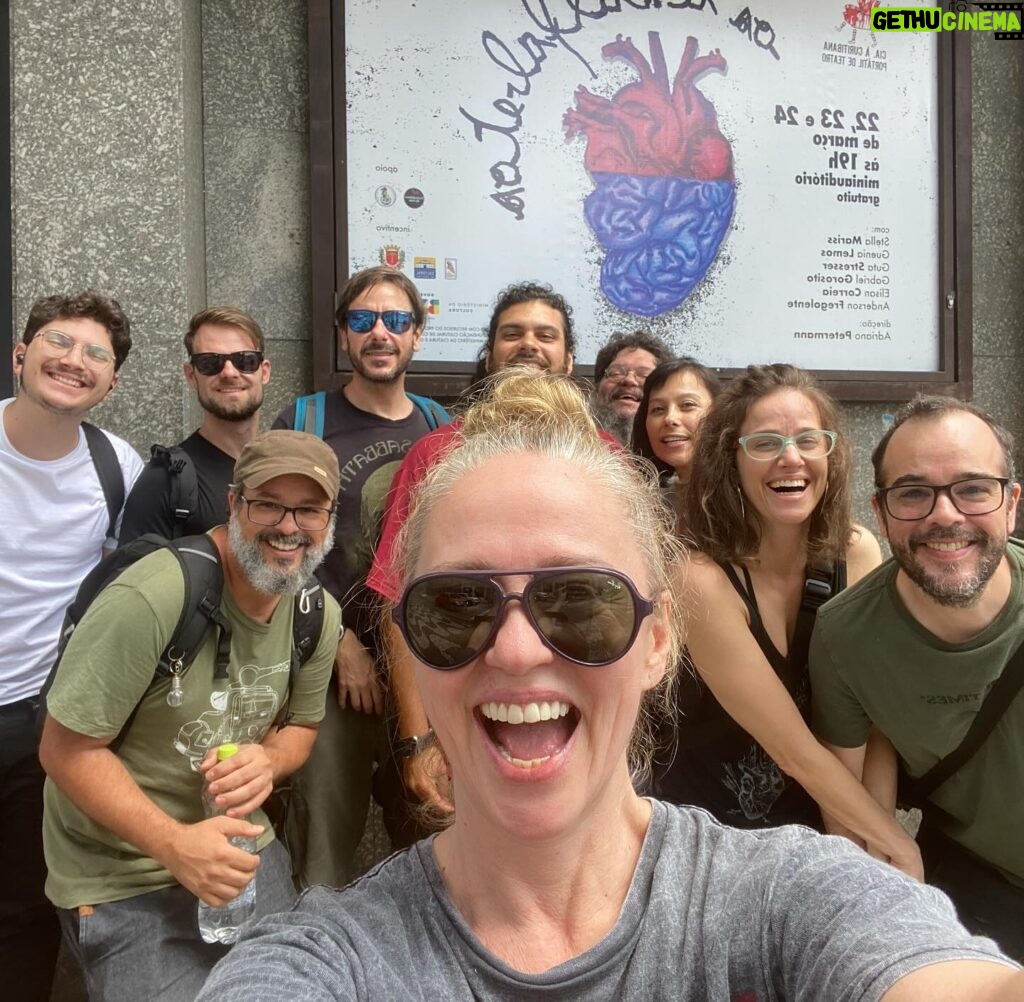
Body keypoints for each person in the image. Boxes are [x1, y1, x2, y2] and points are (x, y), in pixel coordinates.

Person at [198, 372, 1023, 1001]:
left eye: (580, 602)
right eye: (457, 605)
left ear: (658, 639)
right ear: (410, 638)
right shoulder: (322, 961)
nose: (517, 650)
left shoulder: (791, 900)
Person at [38, 430, 343, 1001]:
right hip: (124, 872)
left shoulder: (315, 613)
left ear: (329, 518)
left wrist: (268, 760)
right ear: (234, 504)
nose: (288, 526)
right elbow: (64, 750)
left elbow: (302, 727)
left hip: (240, 851)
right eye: (268, 503)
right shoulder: (156, 594)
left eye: (308, 509)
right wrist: (177, 846)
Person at [654, 364, 921, 877]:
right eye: (765, 443)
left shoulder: (857, 552)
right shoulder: (698, 579)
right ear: (730, 458)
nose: (790, 458)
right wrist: (896, 848)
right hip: (709, 847)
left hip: (815, 838)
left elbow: (872, 723)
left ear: (831, 453)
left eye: (808, 439)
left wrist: (873, 849)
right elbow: (793, 749)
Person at [811, 395, 1024, 960]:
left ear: (1011, 504)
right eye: (913, 493)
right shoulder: (844, 637)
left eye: (973, 488)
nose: (945, 515)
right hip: (982, 894)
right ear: (880, 514)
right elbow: (848, 810)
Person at [365, 281, 579, 818]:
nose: (528, 344)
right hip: (464, 715)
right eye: (512, 333)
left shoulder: (604, 457)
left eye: (545, 334)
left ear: (569, 360)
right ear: (488, 356)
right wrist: (419, 742)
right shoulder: (435, 455)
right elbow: (399, 602)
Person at [272, 265, 449, 887]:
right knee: (322, 850)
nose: (380, 333)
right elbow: (278, 543)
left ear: (417, 336)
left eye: (396, 321)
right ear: (342, 334)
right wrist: (341, 641)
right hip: (328, 669)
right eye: (363, 319)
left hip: (425, 669)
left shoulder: (438, 425)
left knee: (438, 832)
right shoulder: (306, 420)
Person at [0, 289, 142, 1002]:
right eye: (59, 341)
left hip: (35, 722)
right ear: (22, 353)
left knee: (25, 909)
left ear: (112, 383)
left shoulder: (118, 470)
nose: (74, 360)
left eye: (96, 354)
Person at [119, 306, 272, 543]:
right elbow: (134, 576)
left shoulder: (285, 467)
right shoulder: (165, 480)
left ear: (264, 372)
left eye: (245, 360)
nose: (229, 372)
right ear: (191, 375)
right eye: (211, 362)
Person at [631, 357, 721, 527]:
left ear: (719, 412)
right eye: (657, 409)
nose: (670, 418)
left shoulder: (746, 496)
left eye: (687, 405)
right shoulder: (647, 510)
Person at [591, 330, 672, 444]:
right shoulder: (569, 443)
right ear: (597, 388)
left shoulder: (675, 455)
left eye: (644, 375)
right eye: (616, 373)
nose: (629, 380)